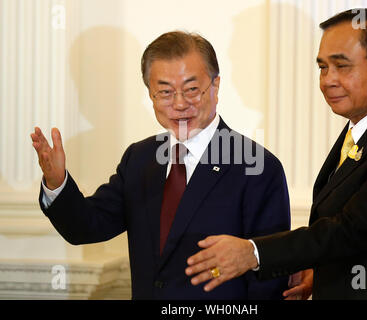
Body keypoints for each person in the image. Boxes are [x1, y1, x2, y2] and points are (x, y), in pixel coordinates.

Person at [30, 31, 291, 299]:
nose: (179, 104)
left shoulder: (256, 166)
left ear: (216, 86)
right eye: (165, 92)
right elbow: (86, 227)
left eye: (191, 89)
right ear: (151, 95)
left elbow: (270, 279)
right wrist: (56, 181)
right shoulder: (140, 158)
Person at [185, 9, 367, 300]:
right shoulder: (366, 129)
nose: (328, 80)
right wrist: (320, 271)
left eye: (341, 66)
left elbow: (351, 230)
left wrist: (253, 252)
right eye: (322, 67)